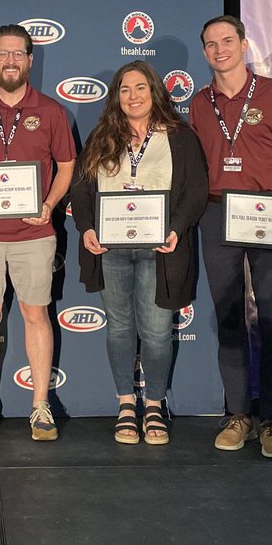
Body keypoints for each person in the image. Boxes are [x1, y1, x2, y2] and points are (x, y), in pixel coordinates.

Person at [189, 15, 272, 458]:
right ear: (205, 52)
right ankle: (238, 414)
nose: (220, 50)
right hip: (216, 212)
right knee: (228, 316)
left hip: (269, 210)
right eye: (211, 44)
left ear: (244, 45)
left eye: (227, 41)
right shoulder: (199, 103)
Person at [0, 24, 76, 441]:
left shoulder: (52, 111)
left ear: (29, 60)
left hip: (34, 234)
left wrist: (49, 205)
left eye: (18, 54)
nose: (10, 61)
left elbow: (67, 167)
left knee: (35, 314)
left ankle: (40, 405)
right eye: (3, 54)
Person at [71, 61, 208, 444]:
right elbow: (81, 189)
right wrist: (87, 228)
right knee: (119, 328)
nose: (133, 96)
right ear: (116, 97)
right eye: (125, 89)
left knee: (157, 332)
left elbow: (196, 190)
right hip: (111, 249)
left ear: (155, 92)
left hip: (160, 249)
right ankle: (126, 404)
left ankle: (154, 404)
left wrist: (177, 228)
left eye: (140, 88)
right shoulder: (102, 136)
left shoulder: (179, 136)